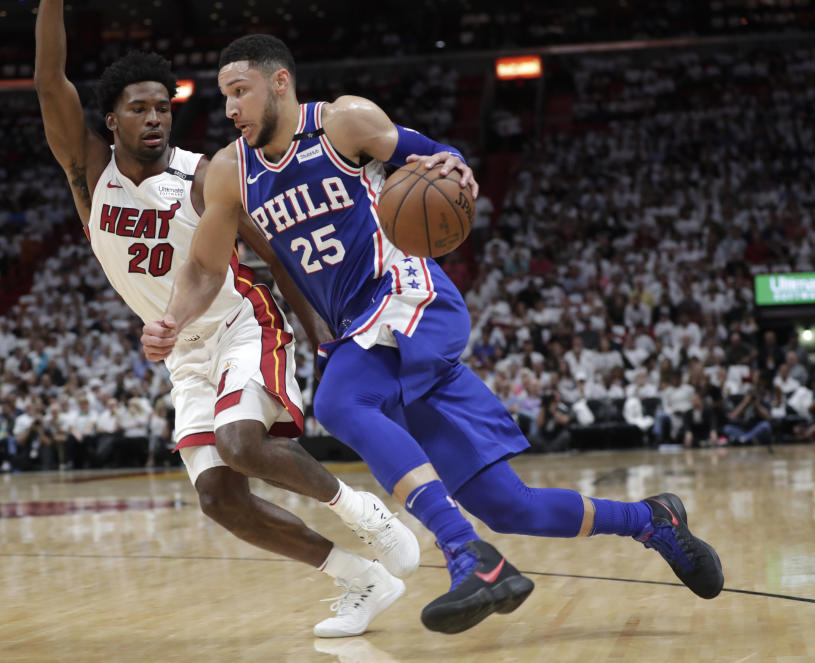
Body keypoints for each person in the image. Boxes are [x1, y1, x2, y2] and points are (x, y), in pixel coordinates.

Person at [141, 34, 726, 634]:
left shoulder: (344, 122)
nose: (231, 107)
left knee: (341, 401)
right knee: (506, 504)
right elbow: (206, 266)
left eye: (241, 91)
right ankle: (652, 521)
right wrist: (172, 319)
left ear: (280, 83)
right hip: (368, 336)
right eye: (225, 96)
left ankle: (469, 557)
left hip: (408, 296)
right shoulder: (230, 173)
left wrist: (456, 169)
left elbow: (434, 156)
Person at [33, 1, 420, 639]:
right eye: (139, 108)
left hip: (243, 322)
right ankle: (362, 579)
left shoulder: (207, 173)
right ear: (111, 120)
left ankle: (367, 515)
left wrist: (317, 330)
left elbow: (274, 252)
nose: (154, 117)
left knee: (242, 444)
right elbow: (51, 81)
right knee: (219, 498)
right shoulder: (88, 173)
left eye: (163, 106)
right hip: (184, 352)